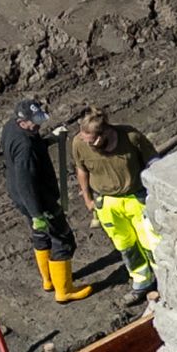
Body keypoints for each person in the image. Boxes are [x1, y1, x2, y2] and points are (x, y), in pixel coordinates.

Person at [0, 100, 92, 304]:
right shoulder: (24, 148)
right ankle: (64, 291)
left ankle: (48, 281)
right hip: (39, 200)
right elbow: (26, 184)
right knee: (62, 238)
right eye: (34, 122)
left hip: (19, 196)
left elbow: (33, 143)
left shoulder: (11, 128)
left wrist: (49, 139)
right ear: (22, 122)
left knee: (41, 235)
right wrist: (37, 214)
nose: (37, 125)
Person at [67, 106, 160, 301]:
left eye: (90, 140)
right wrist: (87, 198)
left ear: (103, 135)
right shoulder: (79, 143)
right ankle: (142, 281)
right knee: (125, 244)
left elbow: (153, 162)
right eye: (84, 138)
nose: (86, 142)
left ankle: (164, 280)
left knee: (152, 242)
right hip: (107, 203)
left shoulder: (130, 137)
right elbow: (82, 170)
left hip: (136, 197)